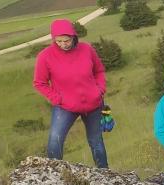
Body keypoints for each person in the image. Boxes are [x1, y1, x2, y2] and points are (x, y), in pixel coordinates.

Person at [33, 19, 109, 168]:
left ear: (74, 36)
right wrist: (58, 99)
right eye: (59, 41)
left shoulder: (86, 49)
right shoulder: (45, 56)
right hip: (65, 106)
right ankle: (55, 176)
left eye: (66, 40)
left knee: (96, 141)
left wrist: (99, 90)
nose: (63, 44)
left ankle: (106, 174)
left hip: (94, 104)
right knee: (55, 139)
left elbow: (99, 71)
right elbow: (39, 83)